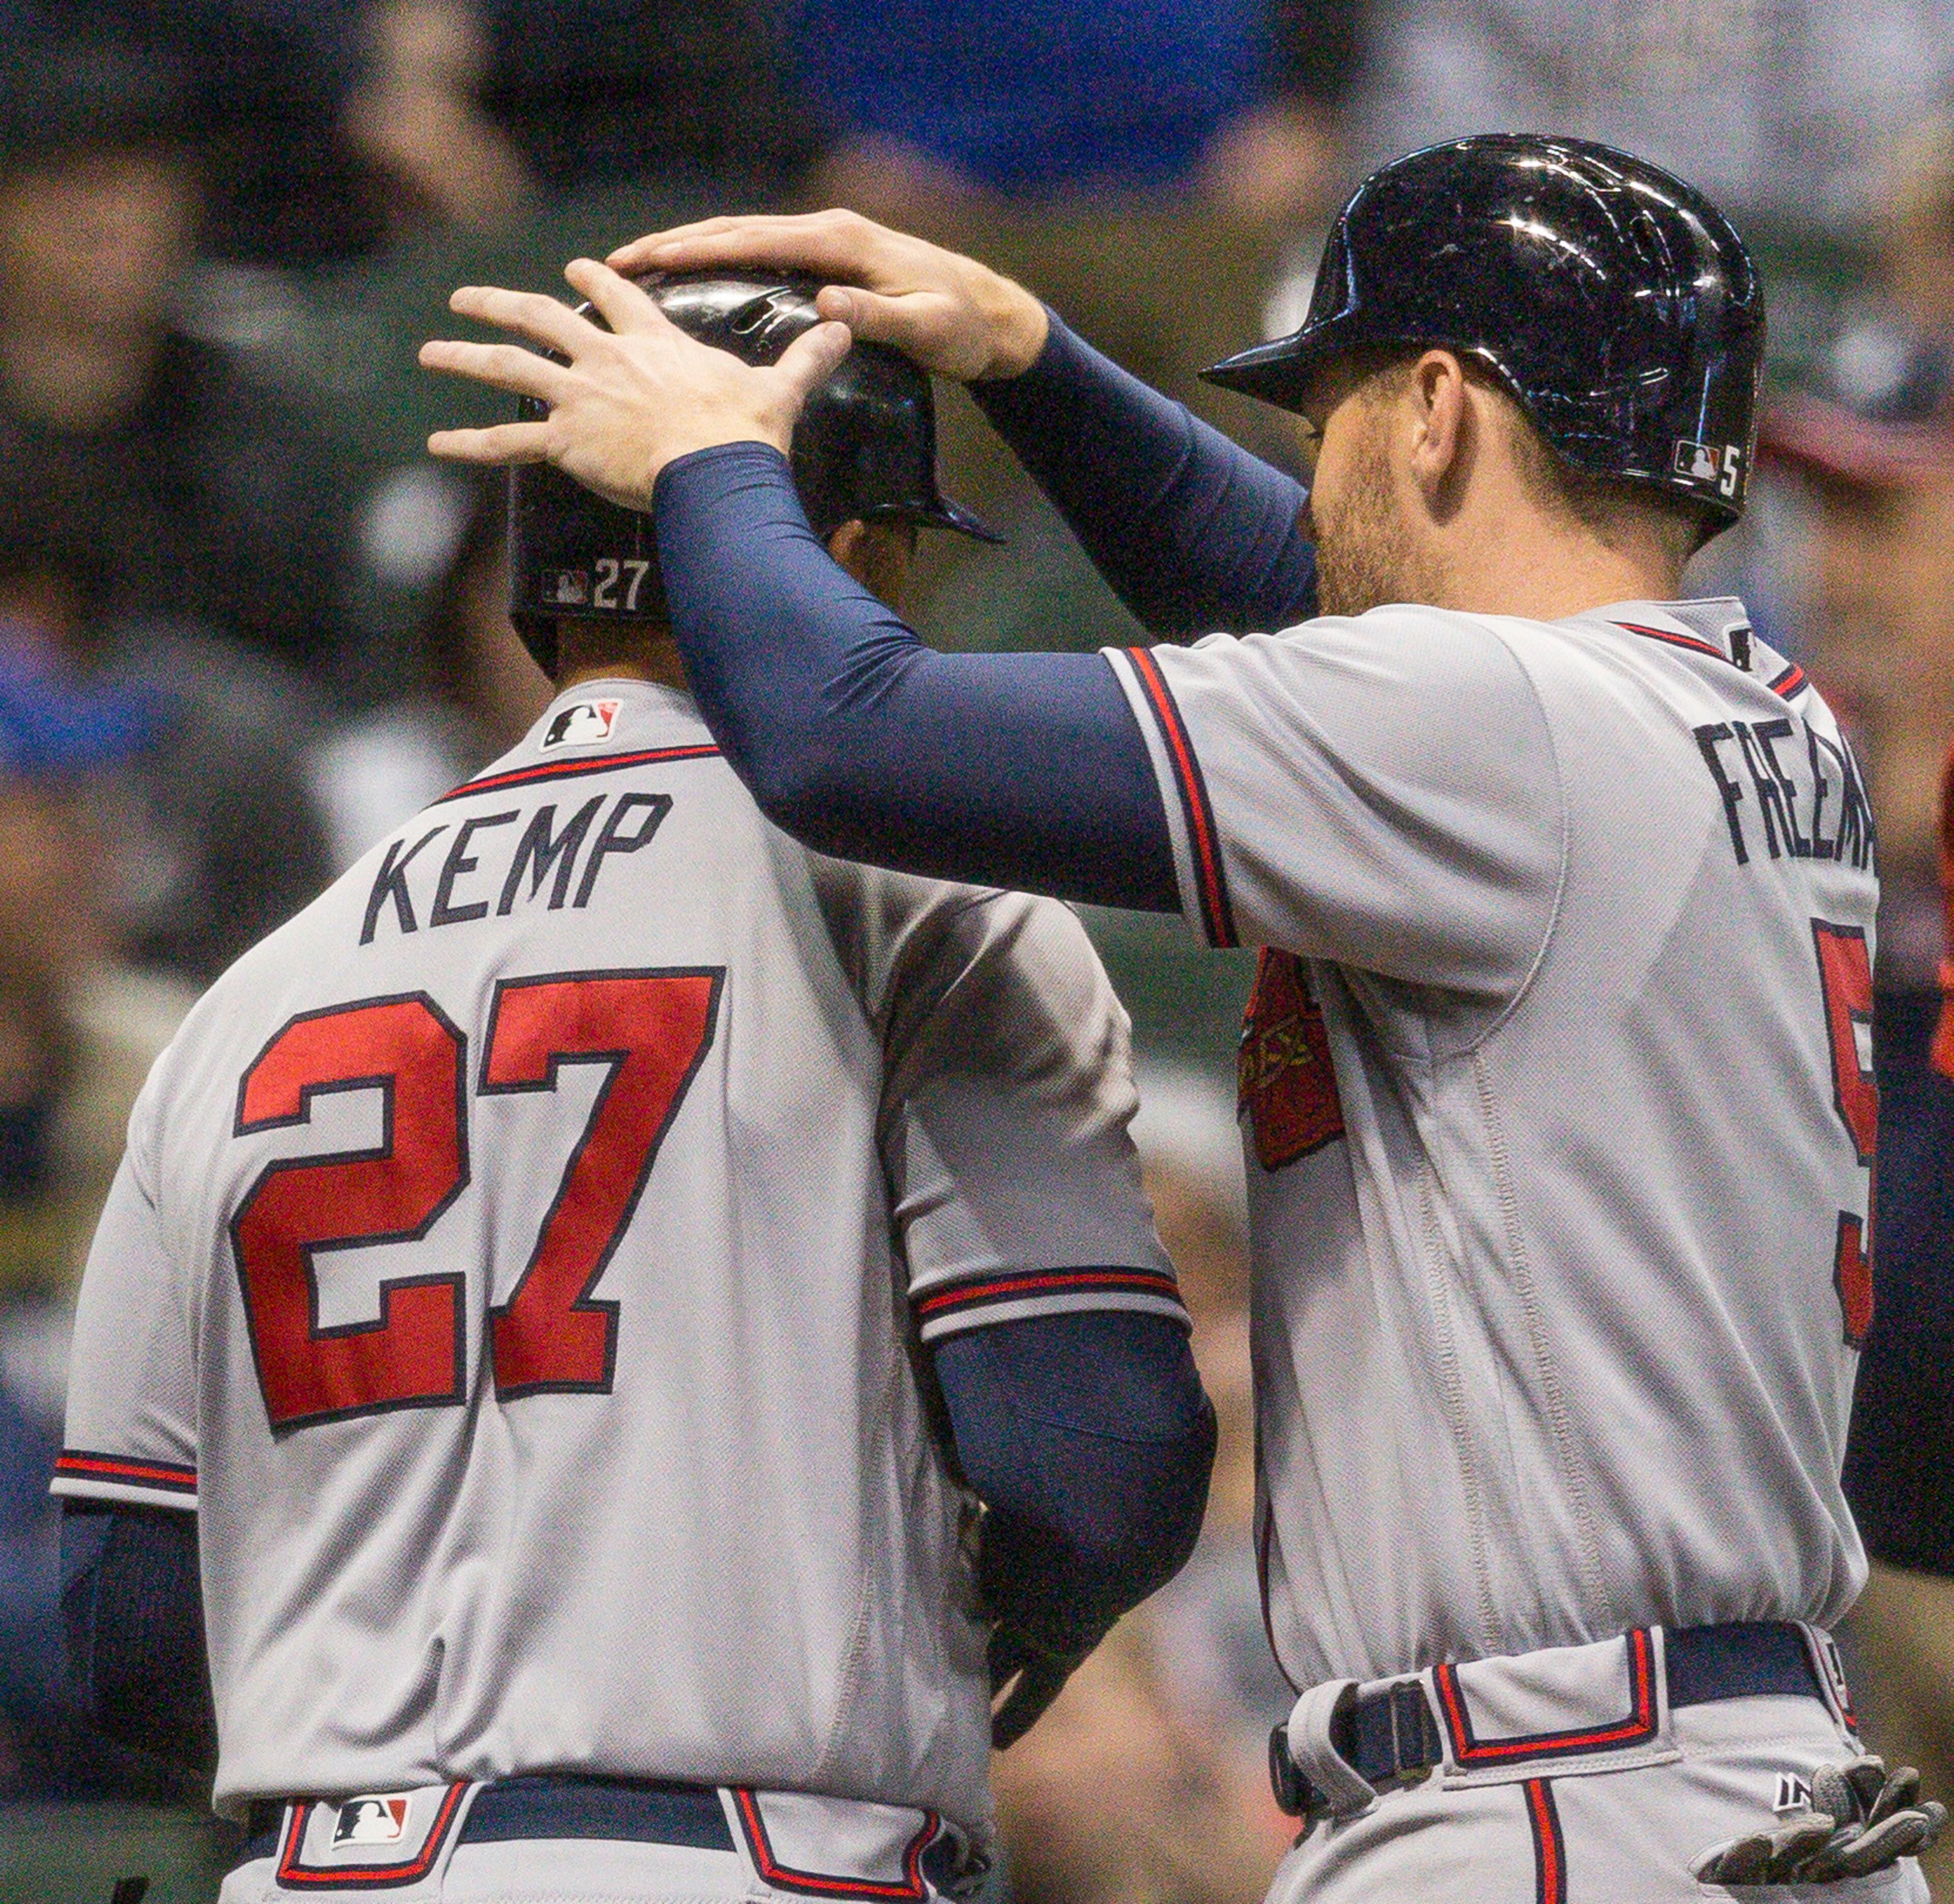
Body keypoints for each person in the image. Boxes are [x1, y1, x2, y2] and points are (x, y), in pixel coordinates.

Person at [420, 134, 1946, 1899]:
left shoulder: (1495, 727)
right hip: (1721, 1782)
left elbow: (847, 735)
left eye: (1337, 411)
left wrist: (709, 463)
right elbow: (1315, 611)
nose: (1317, 468)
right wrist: (1035, 363)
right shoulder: (1753, 708)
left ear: (1439, 408)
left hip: (1559, 1806)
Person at [56, 276, 1214, 1900]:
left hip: (317, 1866)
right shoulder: (917, 901)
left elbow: (129, 1626)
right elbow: (1090, 1466)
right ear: (856, 558)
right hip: (746, 1851)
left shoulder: (249, 996)